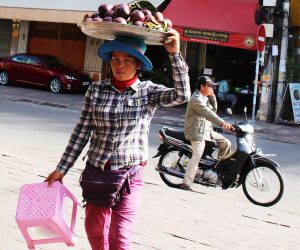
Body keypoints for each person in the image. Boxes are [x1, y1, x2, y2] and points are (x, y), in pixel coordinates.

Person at [44, 29, 190, 250]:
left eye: (127, 61)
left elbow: (182, 95)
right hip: (97, 172)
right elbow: (82, 131)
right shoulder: (96, 90)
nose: (119, 65)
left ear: (138, 64)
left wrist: (175, 55)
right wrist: (62, 168)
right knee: (94, 229)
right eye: (115, 59)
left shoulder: (147, 92)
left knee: (120, 237)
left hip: (130, 175)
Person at [180, 76, 234, 191]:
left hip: (207, 130)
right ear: (202, 86)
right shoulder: (196, 99)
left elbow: (213, 110)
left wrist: (213, 96)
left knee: (226, 143)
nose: (212, 88)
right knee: (197, 154)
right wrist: (223, 123)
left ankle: (218, 171)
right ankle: (186, 183)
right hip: (196, 131)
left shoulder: (204, 97)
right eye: (209, 86)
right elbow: (208, 113)